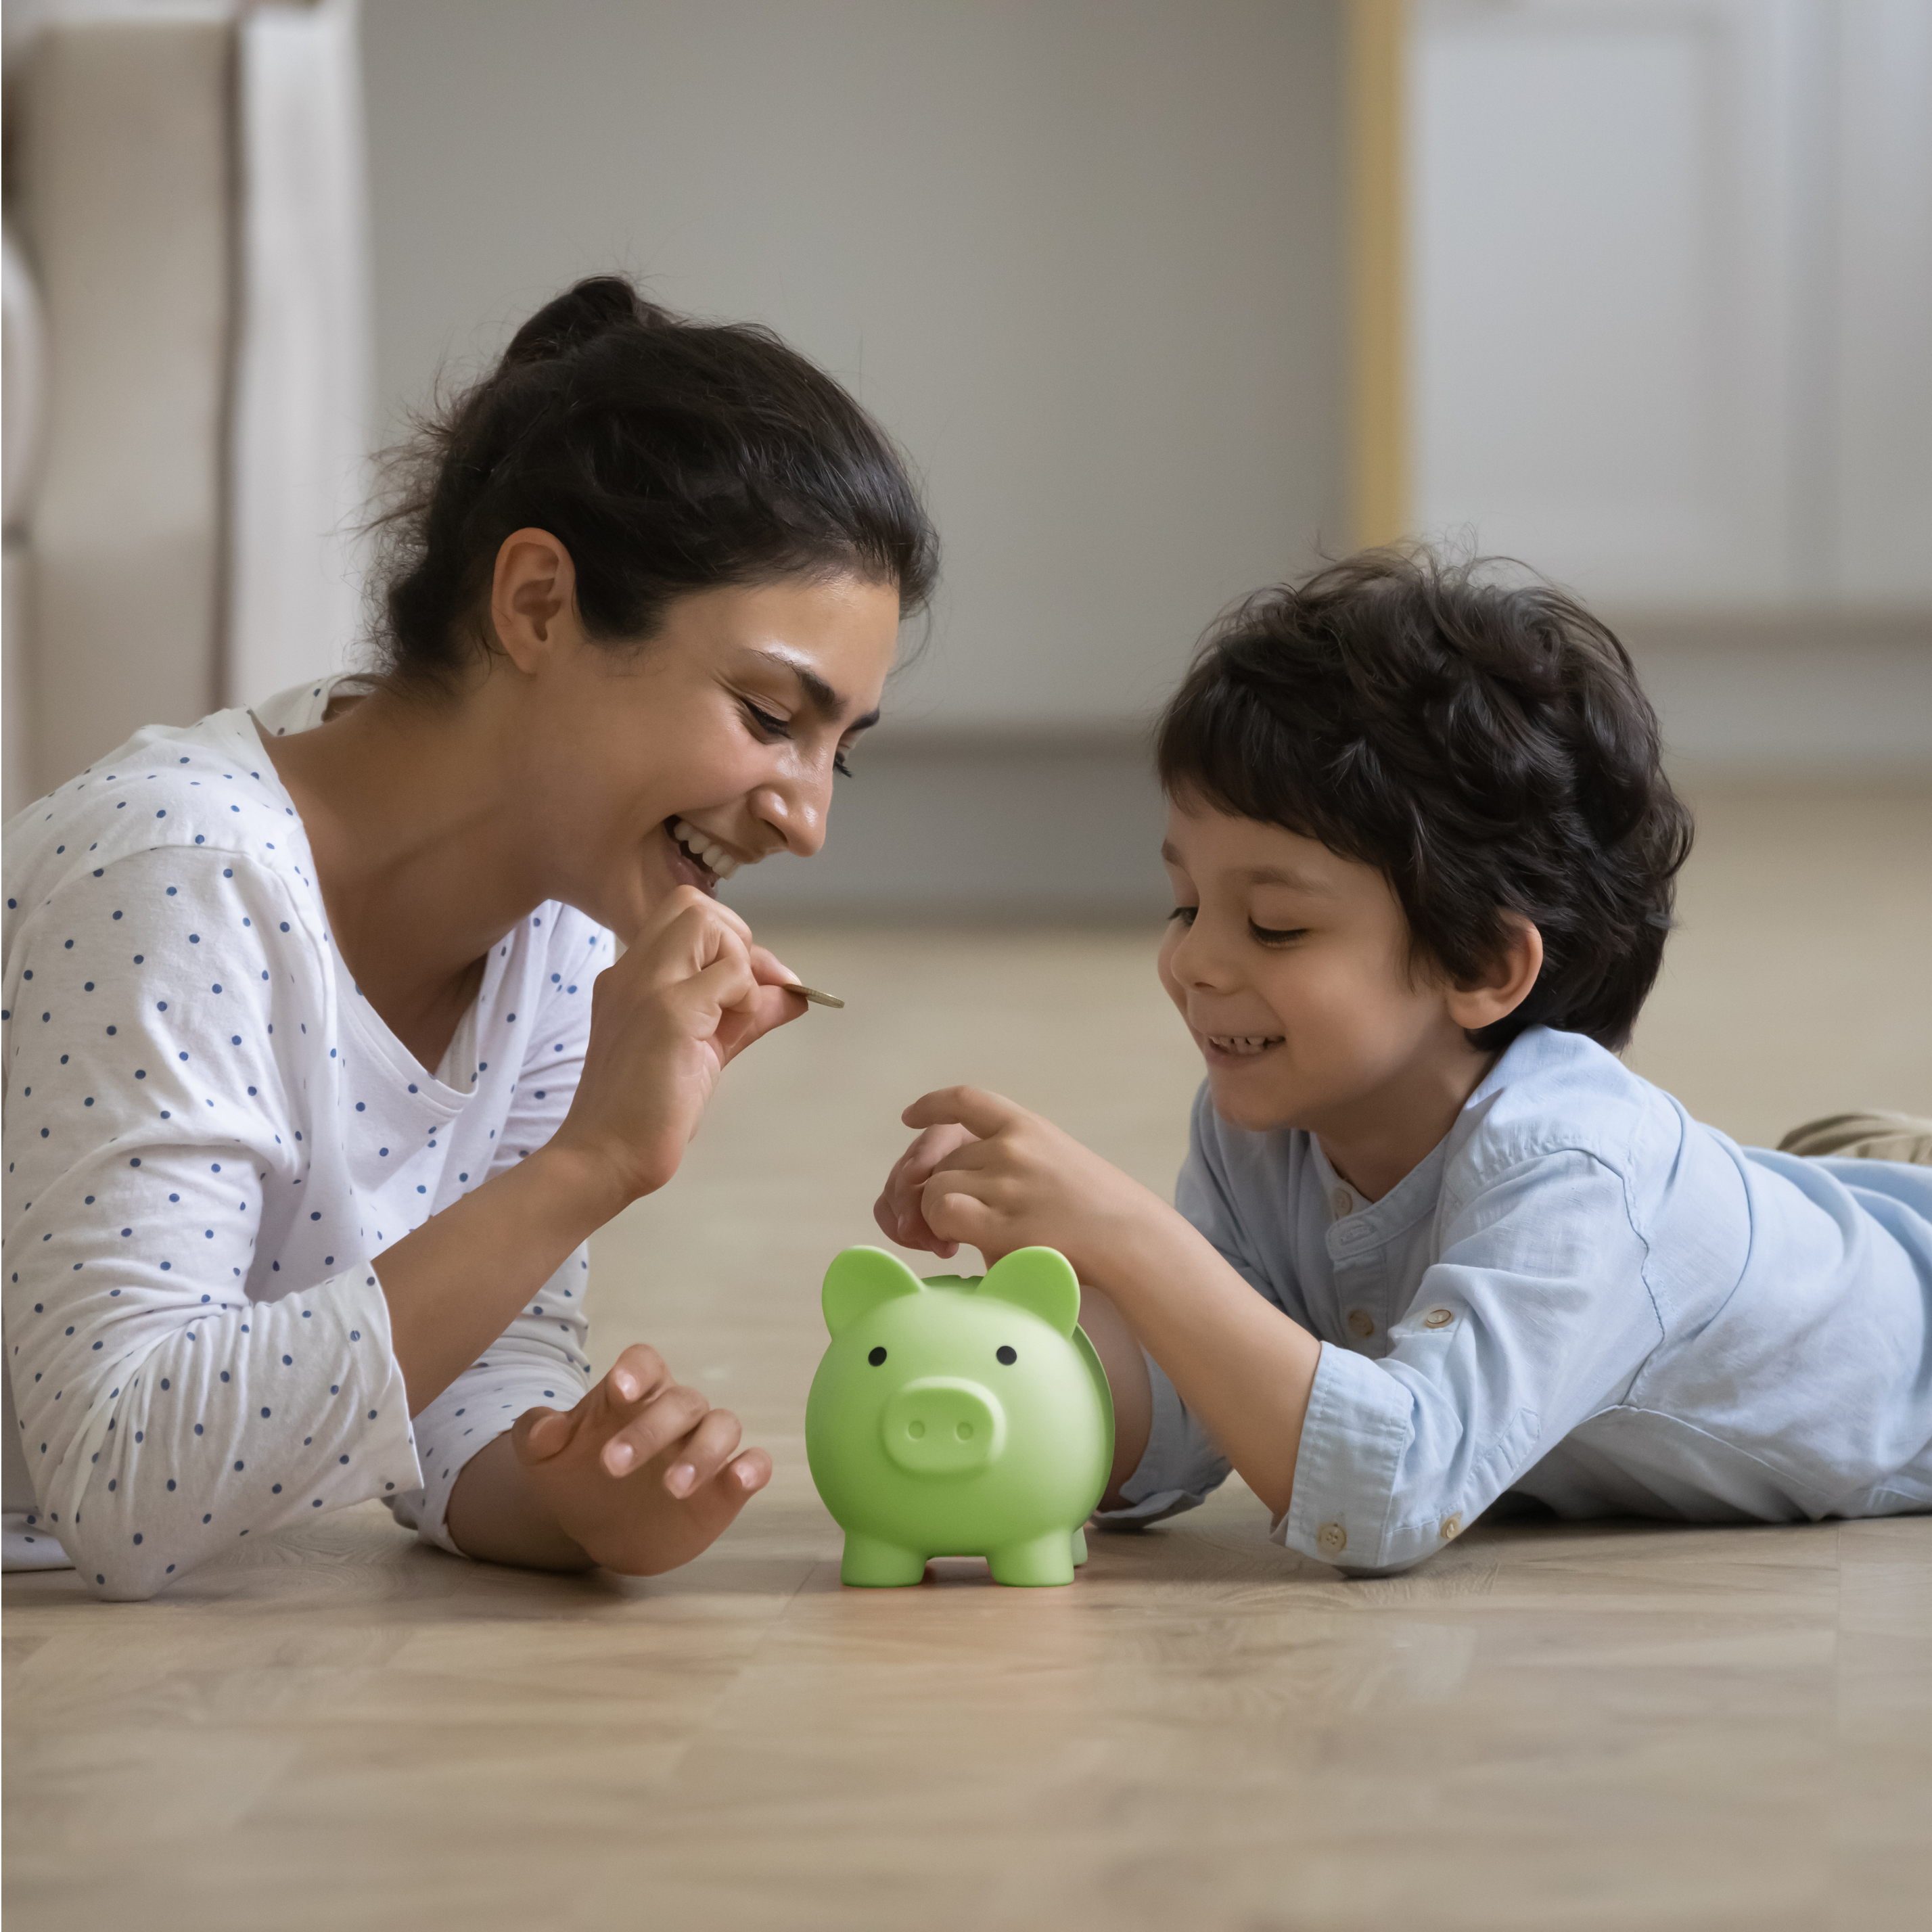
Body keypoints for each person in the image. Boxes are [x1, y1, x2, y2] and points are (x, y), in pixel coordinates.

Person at [3, 276, 938, 1598]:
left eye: (844, 751)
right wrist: (590, 1164)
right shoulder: (180, 876)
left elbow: (470, 1380)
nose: (807, 818)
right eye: (770, 715)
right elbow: (122, 1482)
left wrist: (570, 1493)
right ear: (540, 604)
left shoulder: (566, 918)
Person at [875, 551, 1932, 1575]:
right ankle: (1858, 1174)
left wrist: (1130, 1236)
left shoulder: (1576, 1172)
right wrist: (1012, 1337)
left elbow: (1392, 1493)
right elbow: (1200, 1391)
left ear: (1479, 963)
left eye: (1275, 926)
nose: (1194, 961)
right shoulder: (1266, 1128)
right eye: (1186, 904)